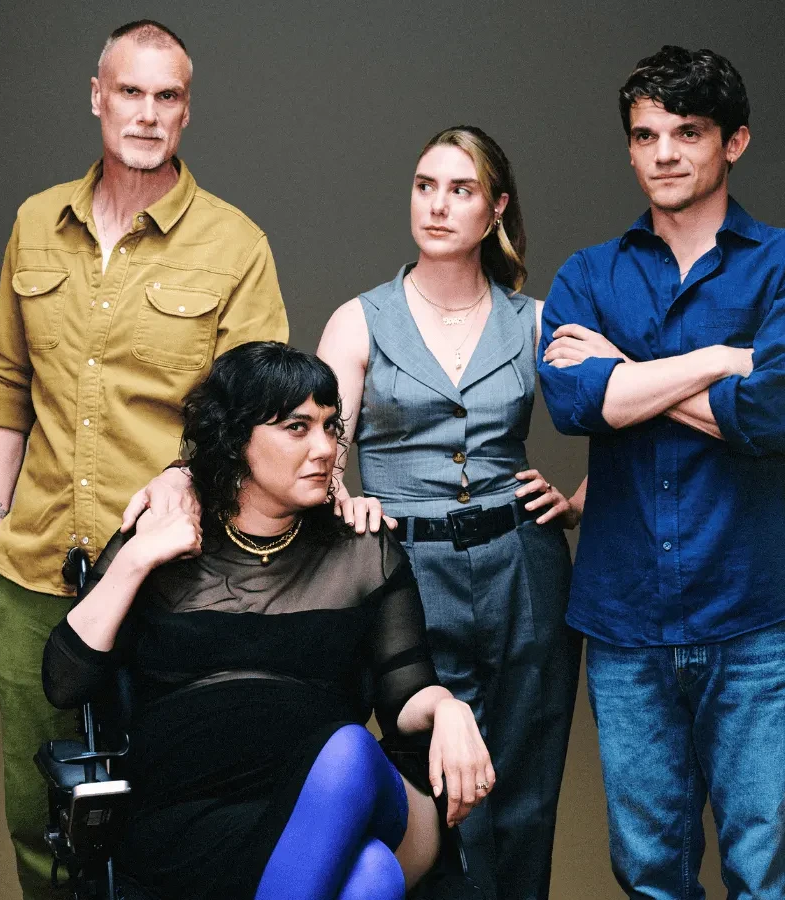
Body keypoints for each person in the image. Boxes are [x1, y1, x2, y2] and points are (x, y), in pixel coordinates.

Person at [0, 20, 288, 897]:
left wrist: (187, 480)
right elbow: (0, 381)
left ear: (186, 111)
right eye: (132, 92)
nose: (147, 114)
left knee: (169, 811)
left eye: (168, 96)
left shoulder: (234, 243)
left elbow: (261, 415)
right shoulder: (36, 222)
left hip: (171, 583)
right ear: (98, 96)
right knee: (42, 811)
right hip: (33, 573)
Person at [538, 46, 785, 899]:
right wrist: (715, 359)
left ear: (734, 142)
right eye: (646, 135)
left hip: (760, 612)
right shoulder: (587, 275)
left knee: (761, 871)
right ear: (630, 148)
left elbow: (773, 417)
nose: (664, 153)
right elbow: (574, 405)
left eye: (688, 132)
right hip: (626, 617)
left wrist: (626, 372)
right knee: (647, 874)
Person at [43, 341, 492, 900]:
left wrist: (447, 707)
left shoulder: (361, 549)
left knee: (350, 751)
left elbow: (406, 694)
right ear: (235, 439)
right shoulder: (161, 535)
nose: (326, 448)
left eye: (331, 427)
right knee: (371, 877)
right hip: (185, 821)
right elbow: (65, 683)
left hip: (338, 796)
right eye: (297, 428)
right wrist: (136, 558)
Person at [312, 125, 583, 900]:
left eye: (460, 190)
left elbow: (634, 415)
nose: (436, 205)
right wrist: (344, 497)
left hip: (524, 570)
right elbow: (317, 451)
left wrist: (573, 501)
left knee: (526, 791)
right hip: (406, 572)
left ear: (496, 207)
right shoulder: (360, 320)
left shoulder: (536, 320)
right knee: (433, 791)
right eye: (425, 185)